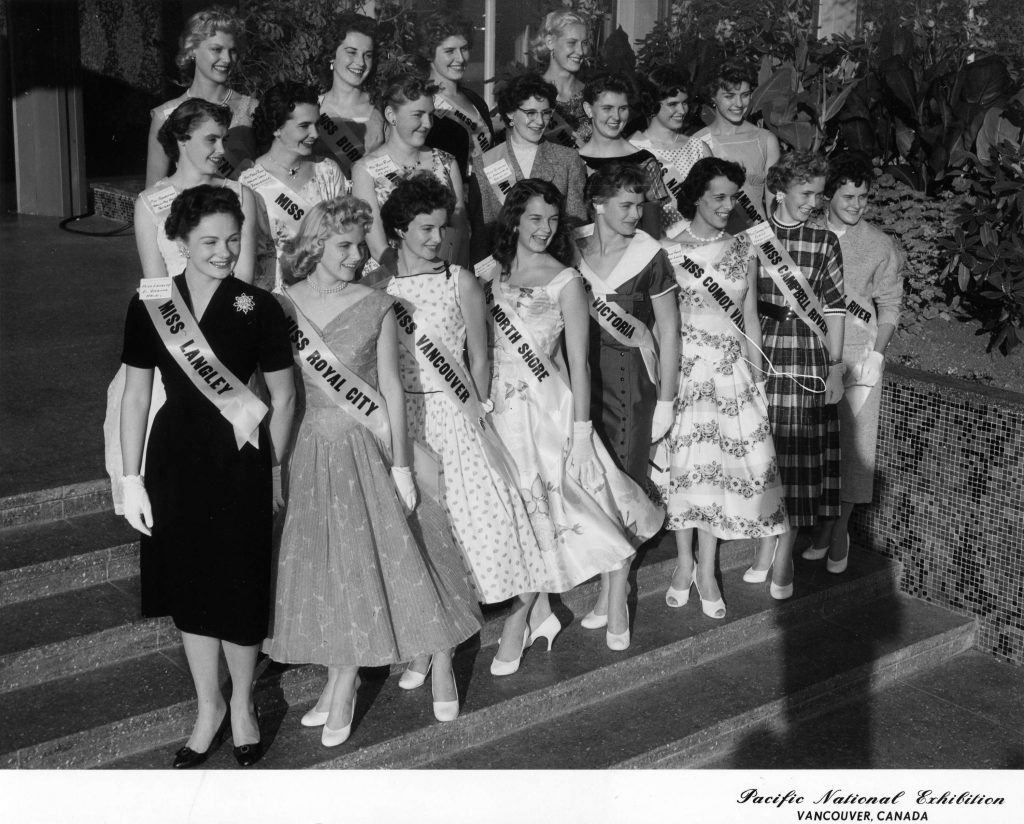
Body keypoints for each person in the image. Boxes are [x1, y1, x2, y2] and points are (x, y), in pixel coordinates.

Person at [263, 196, 481, 744]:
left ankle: (345, 686)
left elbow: (389, 389)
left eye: (362, 244)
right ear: (315, 244)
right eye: (345, 245)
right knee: (326, 567)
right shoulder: (281, 306)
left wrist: (404, 466)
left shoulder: (376, 303)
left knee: (370, 560)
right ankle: (344, 675)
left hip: (367, 448)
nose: (358, 255)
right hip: (306, 449)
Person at [119, 185, 296, 768]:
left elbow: (284, 394)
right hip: (174, 458)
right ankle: (208, 708)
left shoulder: (258, 305)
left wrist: (272, 465)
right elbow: (137, 391)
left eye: (233, 239)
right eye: (210, 241)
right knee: (190, 586)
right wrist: (130, 477)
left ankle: (243, 705)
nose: (224, 251)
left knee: (239, 586)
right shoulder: (152, 302)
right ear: (180, 242)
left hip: (239, 456)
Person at [483, 179, 664, 669]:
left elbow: (578, 363)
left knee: (587, 500)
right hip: (502, 411)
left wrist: (582, 433)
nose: (544, 229)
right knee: (522, 513)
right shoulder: (493, 273)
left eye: (552, 220)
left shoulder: (566, 280)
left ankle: (615, 591)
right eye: (534, 219)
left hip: (549, 408)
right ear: (515, 220)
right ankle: (540, 610)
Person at [380, 173, 547, 688]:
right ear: (398, 231)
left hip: (457, 415)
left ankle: (516, 616)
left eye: (442, 229)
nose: (436, 239)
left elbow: (480, 353)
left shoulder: (460, 281)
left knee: (484, 524)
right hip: (403, 419)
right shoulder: (377, 286)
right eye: (425, 229)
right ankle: (431, 638)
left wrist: (476, 410)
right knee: (421, 532)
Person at [104, 98, 260, 512]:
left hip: (229, 344)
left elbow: (243, 279)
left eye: (224, 140)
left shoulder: (240, 193)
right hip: (176, 344)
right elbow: (155, 288)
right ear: (180, 139)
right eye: (211, 139)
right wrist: (184, 346)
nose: (220, 150)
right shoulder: (150, 203)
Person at [659, 158, 789, 618]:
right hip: (687, 373)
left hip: (732, 374)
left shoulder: (742, 248)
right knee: (686, 470)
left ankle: (708, 569)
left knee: (719, 473)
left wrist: (758, 380)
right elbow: (663, 325)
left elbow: (750, 318)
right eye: (718, 196)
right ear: (695, 196)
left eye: (733, 196)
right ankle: (683, 563)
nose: (727, 205)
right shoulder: (666, 249)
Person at [573, 162, 681, 630]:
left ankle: (614, 594)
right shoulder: (570, 245)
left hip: (631, 383)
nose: (637, 213)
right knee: (590, 484)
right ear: (598, 205)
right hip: (577, 381)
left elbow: (671, 331)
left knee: (625, 481)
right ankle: (604, 582)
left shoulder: (650, 256)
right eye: (626, 205)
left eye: (641, 204)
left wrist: (667, 399)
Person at [743, 151, 846, 600]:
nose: (814, 202)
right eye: (806, 193)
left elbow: (836, 309)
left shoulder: (825, 242)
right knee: (767, 451)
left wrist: (837, 366)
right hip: (761, 347)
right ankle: (766, 543)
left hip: (806, 353)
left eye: (819, 194)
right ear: (780, 191)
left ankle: (784, 555)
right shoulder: (751, 238)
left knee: (800, 454)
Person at [804, 152, 903, 571]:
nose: (857, 203)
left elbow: (891, 307)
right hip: (808, 353)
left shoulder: (880, 245)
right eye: (849, 195)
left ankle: (839, 528)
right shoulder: (807, 232)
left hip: (859, 359)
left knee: (854, 449)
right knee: (812, 447)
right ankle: (818, 525)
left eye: (863, 196)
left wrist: (877, 355)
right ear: (830, 196)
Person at [352, 69, 470, 268]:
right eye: (418, 115)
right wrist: (416, 280)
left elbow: (459, 232)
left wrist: (447, 277)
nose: (427, 124)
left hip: (444, 277)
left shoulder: (446, 162)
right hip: (393, 279)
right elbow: (377, 246)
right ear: (391, 115)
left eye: (430, 115)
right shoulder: (365, 170)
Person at [240, 82, 347, 291]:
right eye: (304, 126)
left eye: (316, 125)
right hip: (273, 293)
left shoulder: (329, 171)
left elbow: (343, 235)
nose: (315, 134)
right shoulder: (249, 181)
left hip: (325, 289)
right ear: (276, 128)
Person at [472, 72, 587, 258]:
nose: (540, 122)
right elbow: (481, 235)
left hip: (553, 267)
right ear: (510, 113)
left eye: (546, 113)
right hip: (503, 269)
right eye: (530, 113)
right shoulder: (485, 164)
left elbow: (577, 225)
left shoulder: (568, 159)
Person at [145, 8, 256, 186]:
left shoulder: (252, 110)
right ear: (193, 49)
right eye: (216, 49)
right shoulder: (165, 116)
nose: (227, 59)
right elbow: (153, 195)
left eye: (232, 51)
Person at [577, 73, 669, 238]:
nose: (616, 117)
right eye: (607, 108)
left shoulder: (644, 161)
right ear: (588, 109)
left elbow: (654, 230)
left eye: (623, 108)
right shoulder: (574, 160)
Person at [693, 61, 781, 227]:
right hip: (718, 243)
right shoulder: (698, 142)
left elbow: (773, 206)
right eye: (729, 96)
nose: (739, 104)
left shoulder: (765, 140)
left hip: (760, 242)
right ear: (713, 96)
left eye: (745, 95)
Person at [630, 66, 711, 228]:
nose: (682, 110)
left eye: (685, 103)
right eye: (672, 104)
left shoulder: (699, 148)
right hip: (655, 241)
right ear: (653, 103)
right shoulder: (632, 149)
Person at [315, 12, 385, 177]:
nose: (360, 63)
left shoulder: (382, 110)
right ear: (332, 55)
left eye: (367, 55)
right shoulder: (312, 107)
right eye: (351, 52)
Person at [534, 9, 591, 147]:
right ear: (550, 42)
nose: (580, 51)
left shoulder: (592, 94)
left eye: (584, 43)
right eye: (572, 42)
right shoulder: (531, 93)